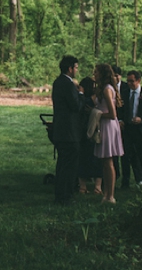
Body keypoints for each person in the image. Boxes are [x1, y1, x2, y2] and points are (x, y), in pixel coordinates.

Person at [51, 55, 85, 205]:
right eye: (76, 67)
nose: (77, 70)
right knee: (69, 165)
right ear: (70, 68)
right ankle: (65, 195)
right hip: (69, 132)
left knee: (62, 163)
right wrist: (81, 94)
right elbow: (75, 106)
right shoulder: (68, 84)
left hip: (60, 129)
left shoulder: (57, 82)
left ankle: (61, 193)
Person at [118, 70, 142, 188]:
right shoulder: (123, 93)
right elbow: (119, 110)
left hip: (141, 130)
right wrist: (120, 120)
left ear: (138, 81)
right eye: (128, 81)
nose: (129, 83)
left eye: (132, 81)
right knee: (125, 155)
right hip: (127, 129)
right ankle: (126, 180)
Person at [93, 64, 124, 204]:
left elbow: (112, 114)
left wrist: (97, 114)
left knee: (109, 161)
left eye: (96, 72)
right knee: (105, 162)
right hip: (104, 125)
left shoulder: (107, 90)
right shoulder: (102, 89)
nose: (94, 74)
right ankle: (106, 193)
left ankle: (110, 195)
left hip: (108, 126)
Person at [77, 77, 102, 195]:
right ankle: (98, 186)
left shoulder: (81, 99)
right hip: (95, 130)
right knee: (97, 159)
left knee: (83, 158)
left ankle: (83, 186)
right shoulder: (92, 100)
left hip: (82, 131)